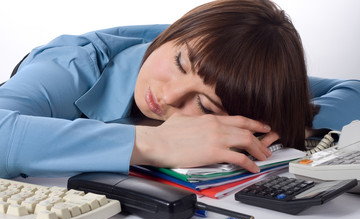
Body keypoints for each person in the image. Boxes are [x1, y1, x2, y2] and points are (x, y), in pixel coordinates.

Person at [0, 0, 359, 179]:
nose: (169, 96)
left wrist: (280, 126)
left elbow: (354, 90)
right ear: (173, 35)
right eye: (179, 64)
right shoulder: (73, 64)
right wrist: (154, 143)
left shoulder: (232, 74)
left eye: (204, 105)